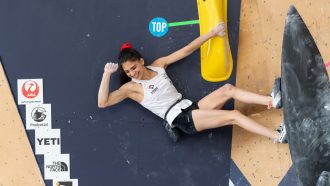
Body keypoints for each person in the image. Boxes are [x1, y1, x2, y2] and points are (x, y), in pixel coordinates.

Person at [98, 22, 287, 143]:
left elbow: (187, 50)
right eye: (128, 71)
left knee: (228, 89)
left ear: (140, 61)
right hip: (182, 120)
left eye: (134, 67)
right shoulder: (132, 88)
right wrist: (107, 74)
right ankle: (278, 136)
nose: (133, 73)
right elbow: (103, 102)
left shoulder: (158, 65)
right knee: (234, 115)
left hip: (190, 107)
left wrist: (213, 33)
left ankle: (271, 101)